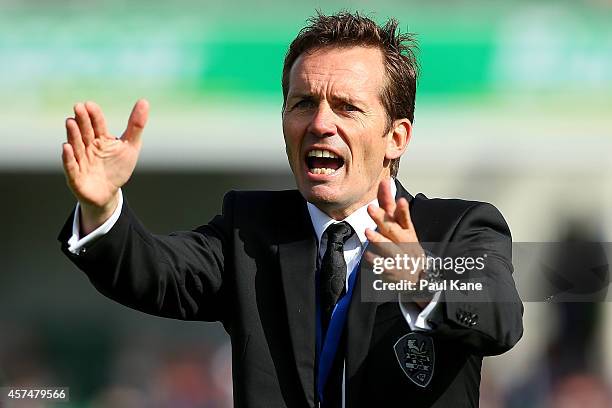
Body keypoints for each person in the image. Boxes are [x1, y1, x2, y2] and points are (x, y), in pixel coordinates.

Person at [58, 12, 523, 408]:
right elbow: (156, 272)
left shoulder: (456, 227)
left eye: (347, 107)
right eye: (303, 103)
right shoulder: (251, 230)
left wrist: (421, 281)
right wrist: (101, 209)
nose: (321, 123)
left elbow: (501, 316)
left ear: (396, 137)